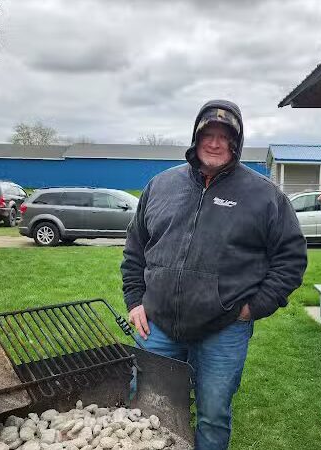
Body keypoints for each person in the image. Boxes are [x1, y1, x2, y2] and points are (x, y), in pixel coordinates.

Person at [121, 99, 307, 450]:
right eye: (209, 133)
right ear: (196, 137)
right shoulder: (161, 186)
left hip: (224, 330)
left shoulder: (264, 195)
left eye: (226, 136)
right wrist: (134, 300)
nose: (216, 143)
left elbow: (291, 258)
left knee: (213, 415)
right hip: (157, 325)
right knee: (146, 406)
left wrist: (253, 308)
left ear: (237, 142)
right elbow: (135, 248)